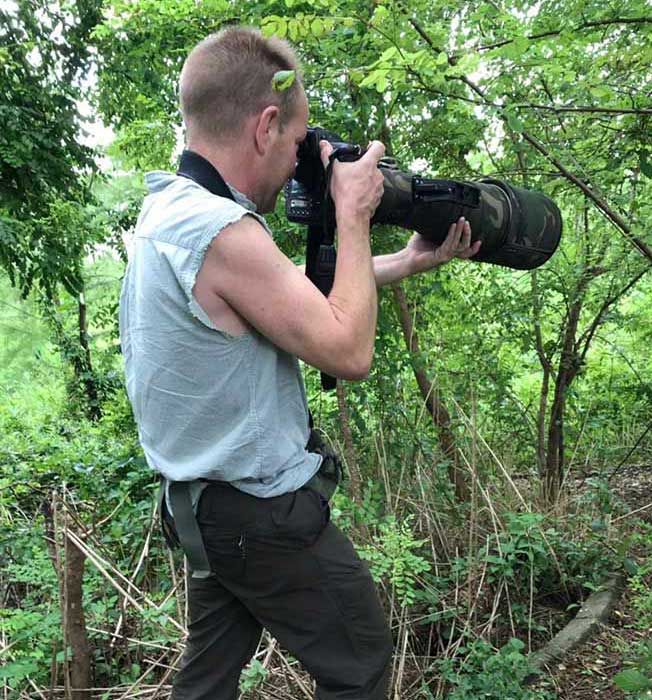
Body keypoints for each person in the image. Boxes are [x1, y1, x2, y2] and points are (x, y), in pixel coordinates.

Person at [119, 26, 480, 700]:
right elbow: (348, 349)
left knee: (207, 681)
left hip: (203, 509)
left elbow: (285, 297)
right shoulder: (220, 230)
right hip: (259, 514)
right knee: (360, 664)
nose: (295, 163)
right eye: (293, 144)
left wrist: (405, 261)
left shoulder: (169, 212)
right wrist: (351, 211)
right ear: (264, 127)